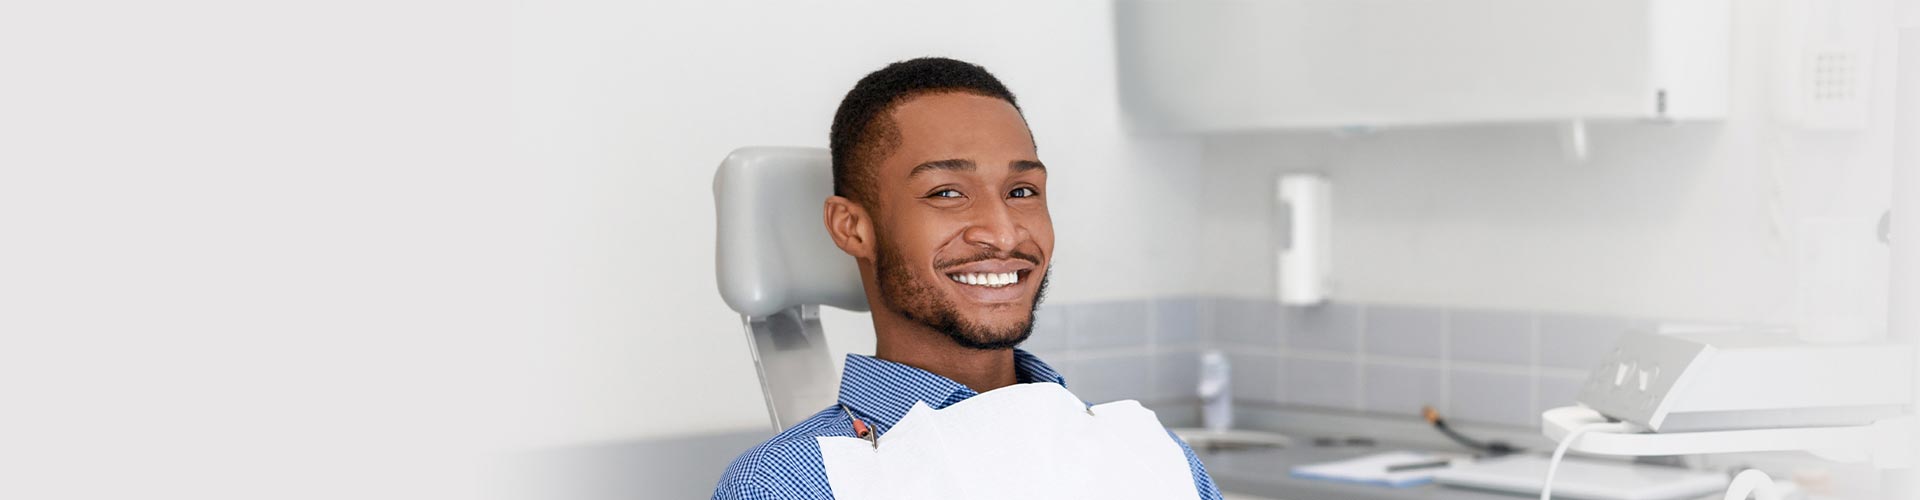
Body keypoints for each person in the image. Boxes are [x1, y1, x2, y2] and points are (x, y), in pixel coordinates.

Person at [711, 57, 1222, 499]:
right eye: (947, 193)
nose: (1003, 234)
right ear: (853, 227)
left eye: (1022, 191)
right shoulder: (785, 485)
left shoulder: (1150, 453)